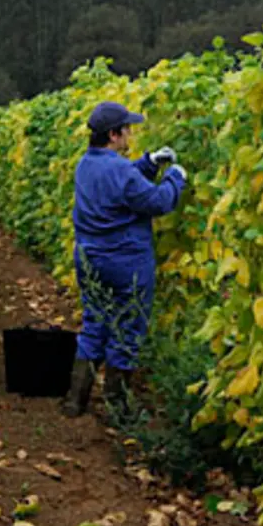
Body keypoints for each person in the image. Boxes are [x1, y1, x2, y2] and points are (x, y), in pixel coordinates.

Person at [62, 101, 185, 418]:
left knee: (94, 325)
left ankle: (75, 401)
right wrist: (174, 177)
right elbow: (157, 201)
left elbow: (119, 182)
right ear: (114, 134)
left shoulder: (86, 164)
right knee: (127, 329)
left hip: (90, 260)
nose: (131, 134)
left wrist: (148, 163)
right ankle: (119, 408)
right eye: (127, 129)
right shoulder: (118, 170)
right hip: (125, 262)